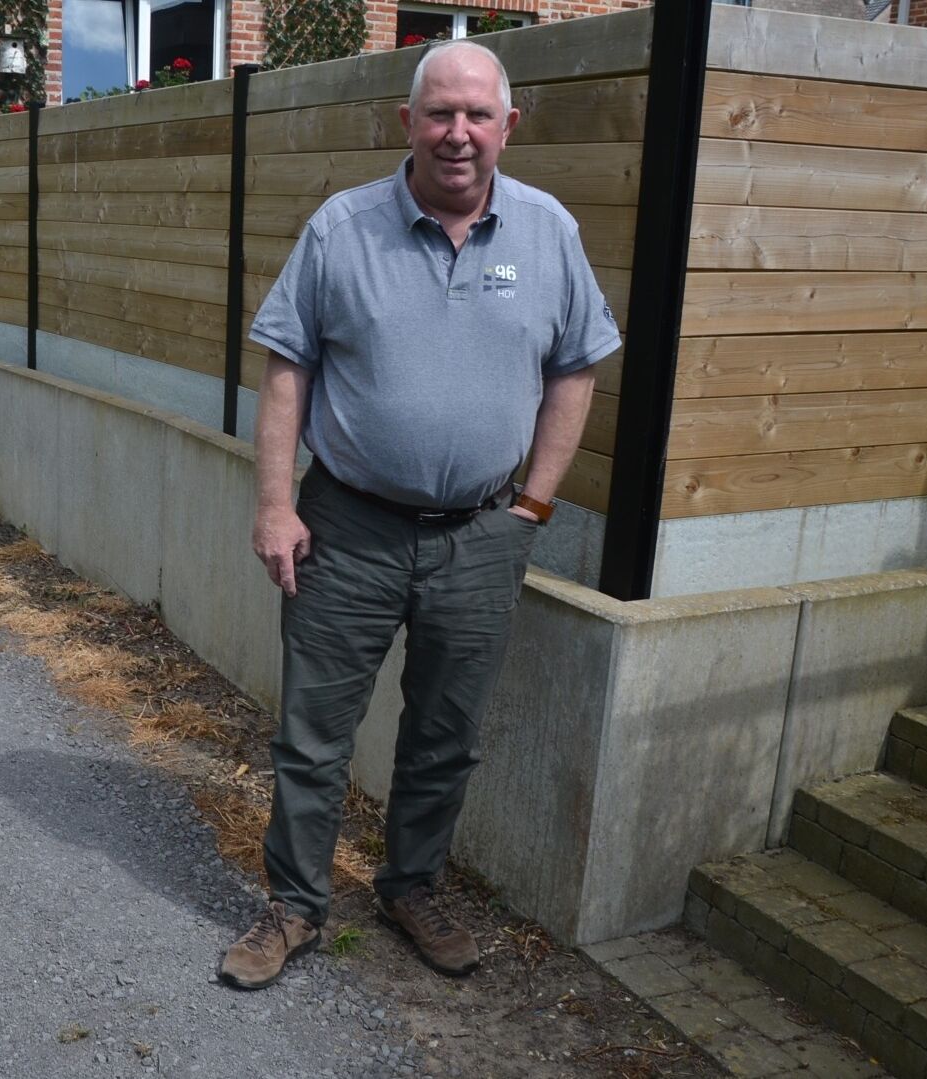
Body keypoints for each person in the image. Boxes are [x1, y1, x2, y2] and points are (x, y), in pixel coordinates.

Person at [217, 40, 618, 990]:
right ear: (408, 121)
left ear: (508, 126)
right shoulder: (342, 229)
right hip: (347, 529)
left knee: (446, 734)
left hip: (481, 536)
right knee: (313, 732)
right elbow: (287, 369)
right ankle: (295, 905)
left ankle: (412, 886)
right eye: (440, 113)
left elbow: (577, 368)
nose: (457, 133)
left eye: (477, 115)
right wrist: (274, 503)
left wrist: (532, 503)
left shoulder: (549, 232)